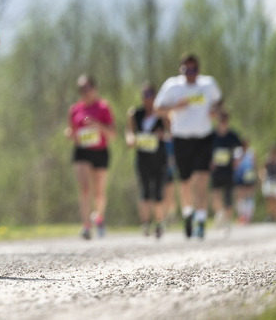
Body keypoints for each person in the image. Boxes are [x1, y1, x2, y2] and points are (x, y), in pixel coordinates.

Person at [154, 53, 222, 239]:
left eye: (194, 69)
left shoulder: (208, 84)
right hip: (181, 139)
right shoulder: (172, 86)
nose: (190, 73)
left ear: (199, 70)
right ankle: (188, 214)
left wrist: (215, 111)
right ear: (181, 70)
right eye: (187, 70)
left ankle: (201, 221)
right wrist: (175, 107)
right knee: (185, 181)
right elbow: (157, 109)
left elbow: (219, 101)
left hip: (203, 137)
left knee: (201, 179)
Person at [66, 74, 116, 239]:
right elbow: (71, 131)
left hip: (100, 151)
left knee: (99, 192)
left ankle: (99, 217)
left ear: (94, 88)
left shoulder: (103, 107)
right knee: (85, 188)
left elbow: (113, 134)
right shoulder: (75, 110)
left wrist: (98, 125)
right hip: (82, 151)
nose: (84, 92)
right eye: (81, 89)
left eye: (87, 88)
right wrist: (70, 134)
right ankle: (86, 226)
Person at [125, 83, 168, 238]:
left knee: (158, 191)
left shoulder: (162, 114)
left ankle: (159, 222)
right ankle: (145, 224)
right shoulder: (135, 113)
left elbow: (170, 132)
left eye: (150, 95)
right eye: (145, 95)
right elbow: (129, 131)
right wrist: (130, 139)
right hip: (142, 158)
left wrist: (163, 135)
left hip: (159, 158)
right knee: (144, 191)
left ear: (155, 97)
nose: (147, 98)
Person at [209, 112, 244, 233]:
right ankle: (220, 213)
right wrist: (209, 161)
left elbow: (239, 149)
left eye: (225, 120)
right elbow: (205, 150)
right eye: (221, 120)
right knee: (215, 194)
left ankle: (227, 221)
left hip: (229, 170)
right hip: (216, 170)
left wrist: (237, 160)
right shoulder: (212, 135)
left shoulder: (232, 136)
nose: (223, 123)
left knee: (229, 196)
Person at [233, 138, 257, 224]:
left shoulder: (251, 153)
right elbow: (234, 165)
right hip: (239, 176)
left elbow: (254, 165)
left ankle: (249, 216)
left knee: (249, 195)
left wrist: (256, 177)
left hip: (249, 176)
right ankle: (242, 215)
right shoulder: (237, 153)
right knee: (240, 196)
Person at [260, 145, 276, 222]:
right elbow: (263, 170)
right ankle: (270, 215)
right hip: (269, 181)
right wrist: (262, 178)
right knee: (269, 199)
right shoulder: (267, 160)